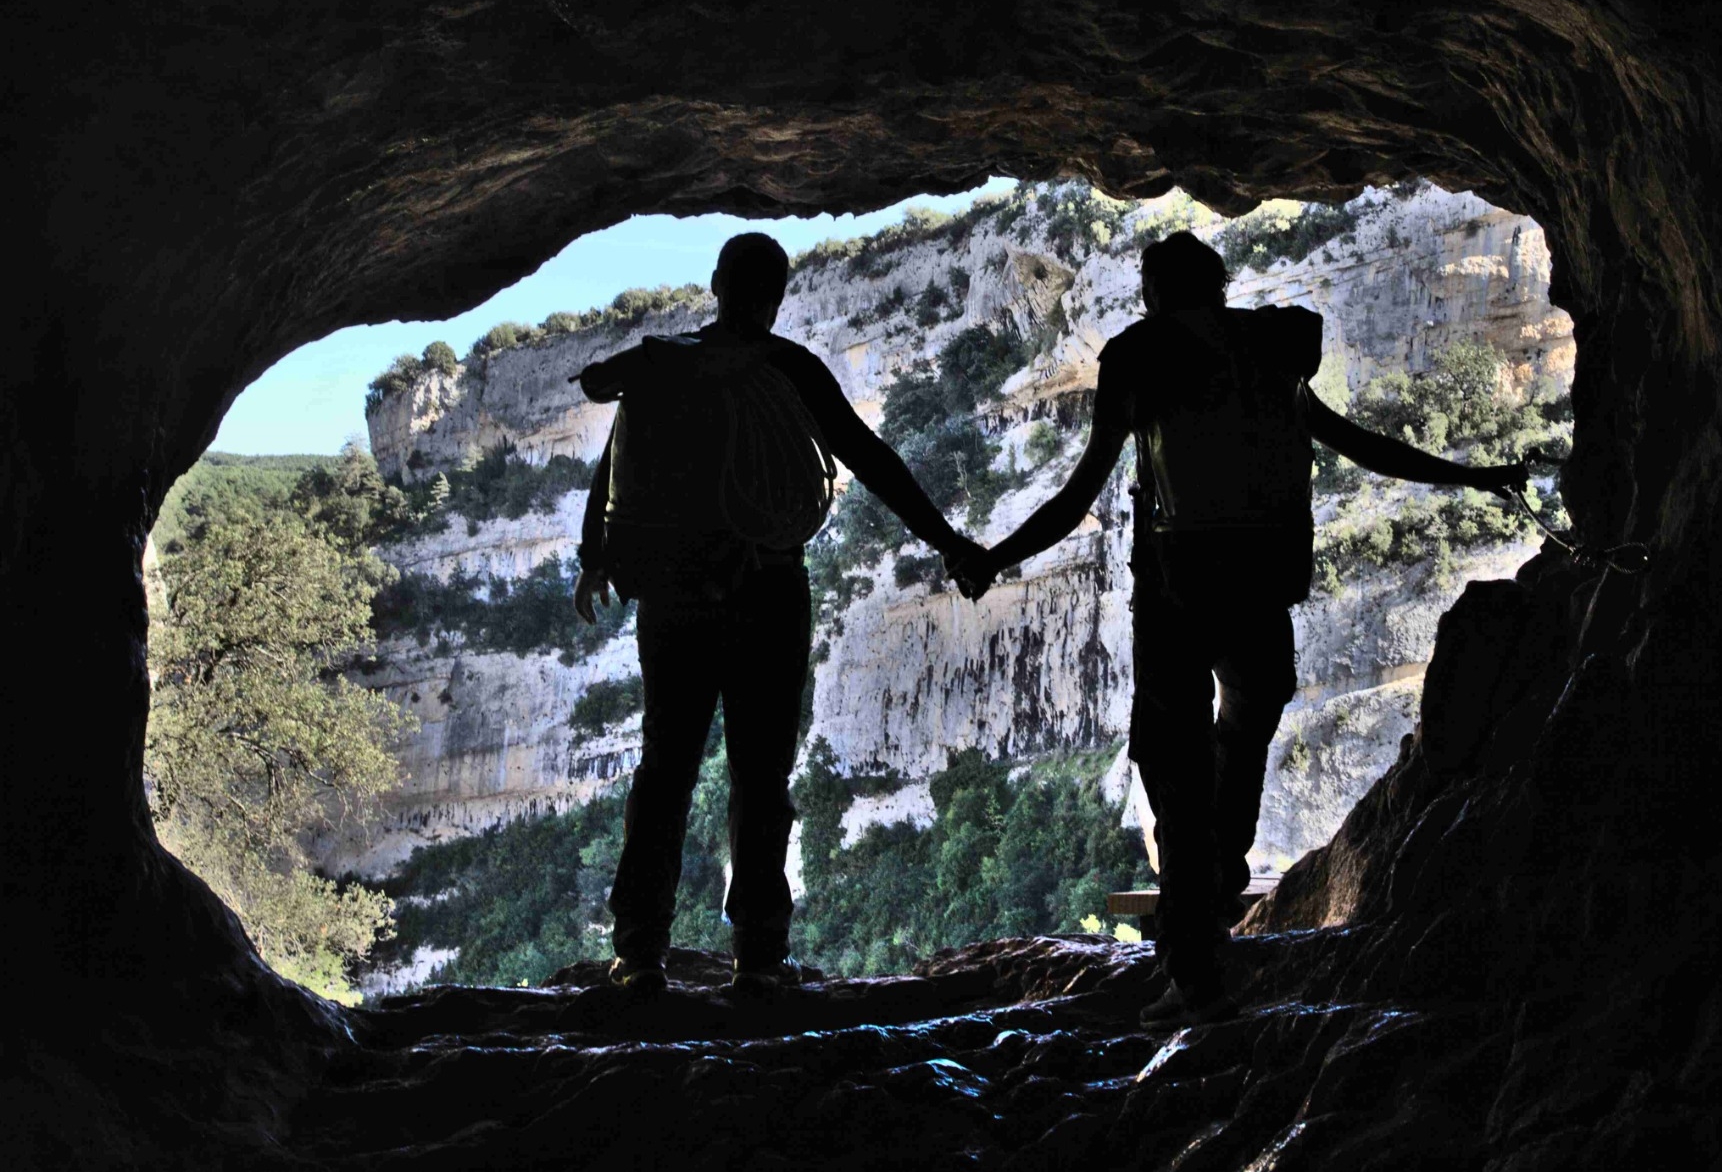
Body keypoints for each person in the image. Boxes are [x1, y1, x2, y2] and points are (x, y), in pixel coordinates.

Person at [949, 231, 1525, 1030]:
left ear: (1153, 292)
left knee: (1173, 765)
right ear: (1219, 287)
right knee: (1241, 736)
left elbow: (1081, 490)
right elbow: (1360, 444)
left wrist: (991, 555)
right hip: (1261, 582)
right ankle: (1211, 911)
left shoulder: (1140, 359)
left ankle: (1194, 971)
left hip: (1178, 589)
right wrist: (1475, 475)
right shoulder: (1265, 354)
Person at [572, 232, 982, 994]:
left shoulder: (664, 363)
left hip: (675, 598)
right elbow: (869, 457)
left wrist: (595, 554)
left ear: (717, 283)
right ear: (776, 296)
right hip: (766, 590)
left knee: (665, 768)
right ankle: (759, 955)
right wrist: (951, 542)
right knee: (762, 776)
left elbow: (617, 455)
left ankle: (638, 953)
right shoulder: (787, 368)